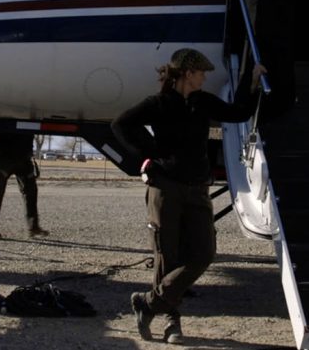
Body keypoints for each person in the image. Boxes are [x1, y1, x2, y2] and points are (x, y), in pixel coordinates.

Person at [111, 48, 265, 345]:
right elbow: (120, 124)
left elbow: (239, 112)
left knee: (203, 254)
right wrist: (150, 153)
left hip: (197, 189)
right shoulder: (158, 104)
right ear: (186, 74)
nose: (205, 77)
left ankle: (149, 302)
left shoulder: (202, 102)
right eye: (201, 72)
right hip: (165, 187)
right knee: (167, 257)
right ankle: (171, 323)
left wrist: (251, 80)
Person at [0, 129, 48, 239]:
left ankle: (33, 228)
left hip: (24, 157)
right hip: (3, 156)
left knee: (31, 192)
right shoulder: (0, 111)